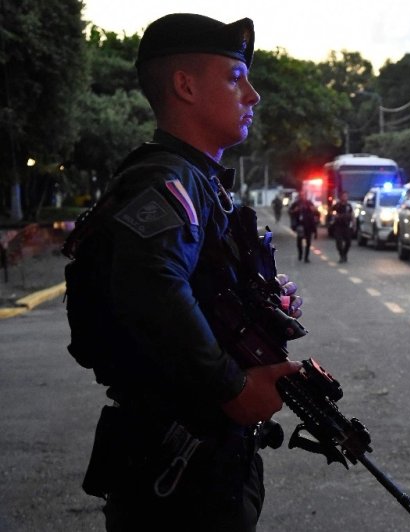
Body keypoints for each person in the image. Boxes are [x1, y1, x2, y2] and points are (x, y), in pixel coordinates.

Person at [66, 14, 302, 531]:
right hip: (178, 463)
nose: (253, 95)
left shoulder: (195, 179)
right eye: (235, 78)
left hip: (199, 456)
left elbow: (193, 284)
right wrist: (234, 387)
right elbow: (149, 285)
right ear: (185, 85)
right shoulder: (166, 180)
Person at [289, 193, 317, 262]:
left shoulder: (309, 203)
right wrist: (295, 210)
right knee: (299, 241)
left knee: (308, 242)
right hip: (300, 225)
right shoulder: (296, 203)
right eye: (301, 196)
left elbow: (315, 211)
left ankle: (306, 257)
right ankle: (300, 253)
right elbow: (290, 211)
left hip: (309, 225)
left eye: (304, 195)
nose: (302, 197)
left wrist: (312, 209)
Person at [330, 190, 354, 262]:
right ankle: (341, 255)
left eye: (346, 196)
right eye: (343, 196)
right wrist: (335, 215)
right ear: (341, 197)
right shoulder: (337, 205)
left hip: (346, 225)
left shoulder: (349, 206)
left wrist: (353, 223)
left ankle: (344, 254)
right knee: (339, 242)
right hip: (338, 225)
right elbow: (331, 211)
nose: (345, 197)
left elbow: (352, 215)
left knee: (348, 242)